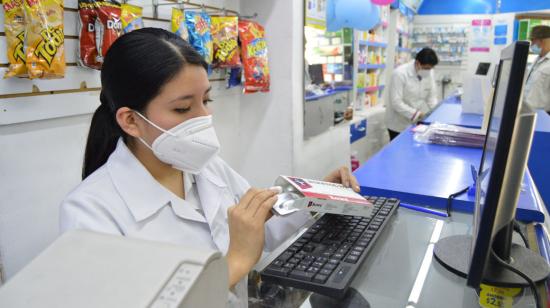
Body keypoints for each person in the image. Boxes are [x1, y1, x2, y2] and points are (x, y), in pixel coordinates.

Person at [59, 28, 360, 307]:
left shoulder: (205, 168)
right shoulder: (89, 212)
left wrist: (314, 197)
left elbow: (259, 230)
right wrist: (237, 262)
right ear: (131, 121)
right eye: (182, 108)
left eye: (206, 99)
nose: (205, 118)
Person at [385, 47, 439, 140]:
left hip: (416, 123)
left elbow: (431, 97)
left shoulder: (429, 73)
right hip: (398, 124)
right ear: (417, 63)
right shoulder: (400, 74)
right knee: (398, 152)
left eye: (430, 68)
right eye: (426, 68)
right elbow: (396, 102)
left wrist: (436, 112)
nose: (428, 71)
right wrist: (418, 114)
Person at [524, 25, 550, 115]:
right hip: (528, 112)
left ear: (542, 41)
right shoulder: (537, 59)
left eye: (533, 41)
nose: (532, 45)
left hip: (543, 116)